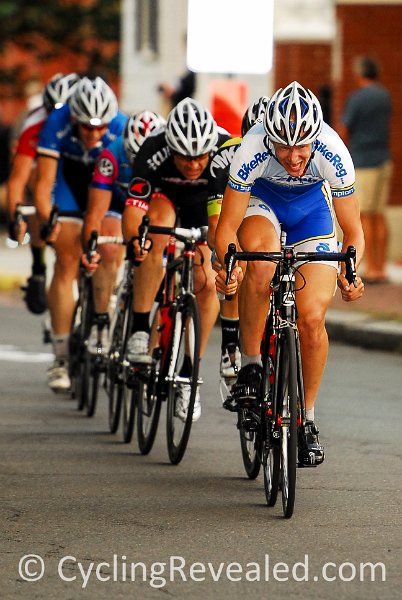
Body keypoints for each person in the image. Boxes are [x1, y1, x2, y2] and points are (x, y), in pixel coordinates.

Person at [215, 81, 365, 465]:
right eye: (283, 147)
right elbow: (227, 227)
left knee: (312, 316)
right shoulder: (251, 148)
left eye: (302, 147)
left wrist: (350, 271)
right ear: (269, 137)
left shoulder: (333, 151)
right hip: (262, 205)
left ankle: (306, 418)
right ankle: (251, 364)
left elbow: (354, 231)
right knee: (261, 263)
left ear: (316, 137)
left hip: (311, 213)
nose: (294, 157)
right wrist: (230, 267)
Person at [122, 97, 231, 422]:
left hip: (205, 204)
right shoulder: (153, 148)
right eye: (185, 157)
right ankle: (139, 329)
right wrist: (135, 241)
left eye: (200, 157)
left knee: (207, 281)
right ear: (171, 148)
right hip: (164, 199)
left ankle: (189, 372)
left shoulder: (225, 148)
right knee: (153, 235)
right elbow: (134, 210)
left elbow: (225, 215)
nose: (194, 165)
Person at [34, 76, 128, 393]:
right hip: (71, 185)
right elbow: (44, 184)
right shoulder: (57, 123)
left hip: (109, 188)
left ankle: (103, 313)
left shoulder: (121, 127)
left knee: (109, 248)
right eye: (87, 127)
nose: (94, 133)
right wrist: (48, 219)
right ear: (74, 118)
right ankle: (61, 358)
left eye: (101, 127)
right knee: (66, 257)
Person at [81, 110, 166, 354]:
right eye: (135, 159)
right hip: (117, 206)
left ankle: (150, 350)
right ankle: (100, 320)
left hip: (152, 207)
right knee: (108, 247)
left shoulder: (168, 157)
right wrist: (90, 248)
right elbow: (95, 213)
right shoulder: (111, 155)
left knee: (162, 261)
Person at [6, 73, 80, 314]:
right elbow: (17, 180)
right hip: (42, 165)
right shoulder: (34, 123)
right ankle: (39, 267)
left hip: (75, 164)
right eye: (51, 111)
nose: (55, 118)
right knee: (39, 192)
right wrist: (16, 219)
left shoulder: (85, 123)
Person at [208, 95, 270, 380]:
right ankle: (231, 343)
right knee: (236, 262)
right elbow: (218, 224)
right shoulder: (227, 156)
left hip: (277, 211)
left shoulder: (295, 155)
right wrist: (227, 258)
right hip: (240, 210)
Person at [340, 57, 392, 284]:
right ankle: (381, 266)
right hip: (384, 159)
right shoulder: (384, 96)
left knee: (365, 216)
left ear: (360, 73)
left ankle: (371, 268)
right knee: (379, 215)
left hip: (364, 161)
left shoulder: (358, 98)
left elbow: (344, 128)